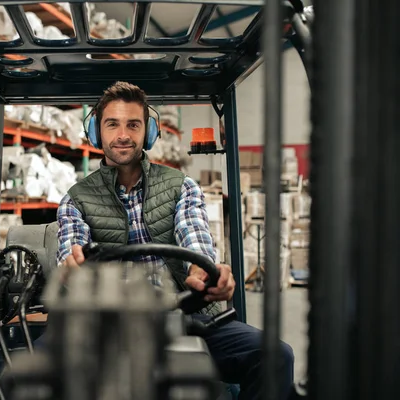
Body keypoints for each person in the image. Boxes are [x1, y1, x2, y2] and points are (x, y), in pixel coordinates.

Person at [55, 81, 295, 400]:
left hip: (184, 315)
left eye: (133, 124)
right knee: (47, 369)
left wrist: (204, 274)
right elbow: (69, 256)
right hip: (109, 324)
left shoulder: (182, 186)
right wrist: (71, 271)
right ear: (98, 133)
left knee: (275, 355)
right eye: (112, 124)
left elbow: (195, 240)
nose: (123, 134)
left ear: (149, 133)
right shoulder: (75, 201)